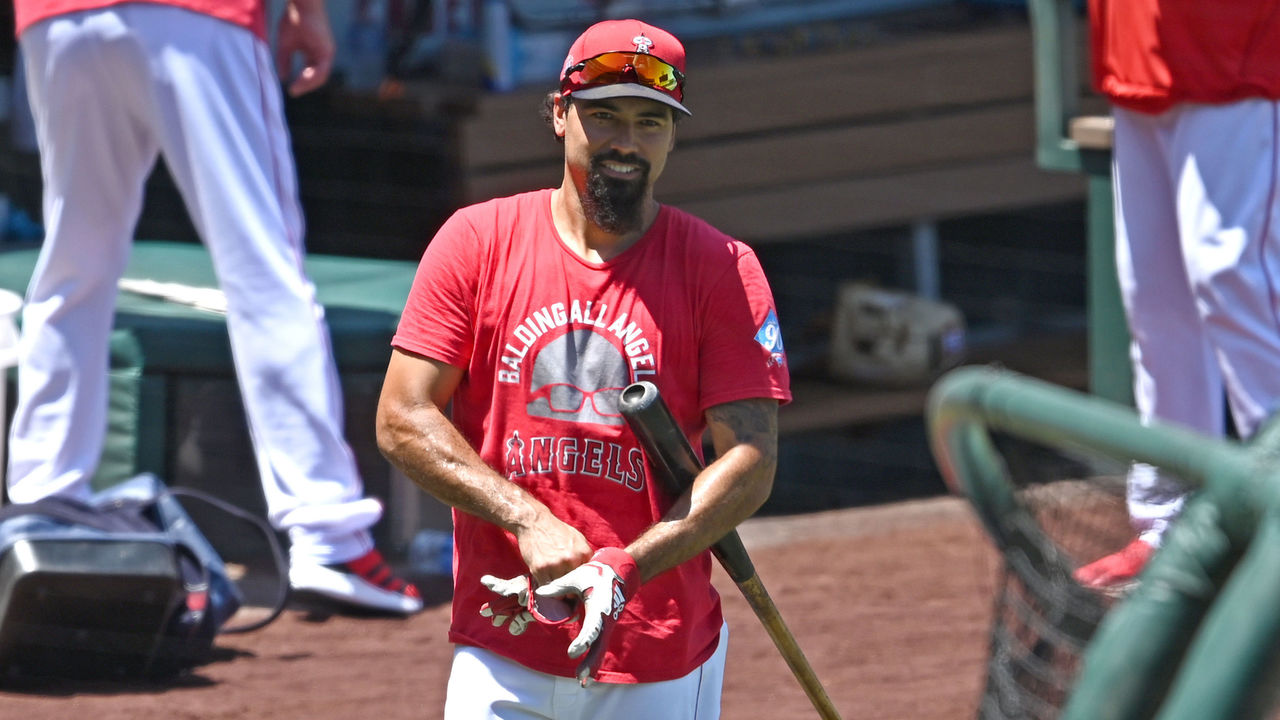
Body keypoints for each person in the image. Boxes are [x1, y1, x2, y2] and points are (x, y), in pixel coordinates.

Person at [376, 18, 791, 718]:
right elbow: (401, 418)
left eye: (650, 122)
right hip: (504, 637)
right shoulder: (476, 241)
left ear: (672, 135)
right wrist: (525, 519)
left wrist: (626, 567)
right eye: (605, 116)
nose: (627, 141)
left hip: (654, 657)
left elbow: (750, 461)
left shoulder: (722, 268)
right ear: (559, 114)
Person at [7, 0, 422, 615]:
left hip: (59, 15)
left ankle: (44, 503)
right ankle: (329, 535)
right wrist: (307, 10)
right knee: (263, 268)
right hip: (196, 13)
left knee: (73, 264)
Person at [1073, 0, 1280, 594]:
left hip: (1236, 48)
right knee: (1155, 303)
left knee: (1234, 278)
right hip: (1136, 49)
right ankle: (1169, 522)